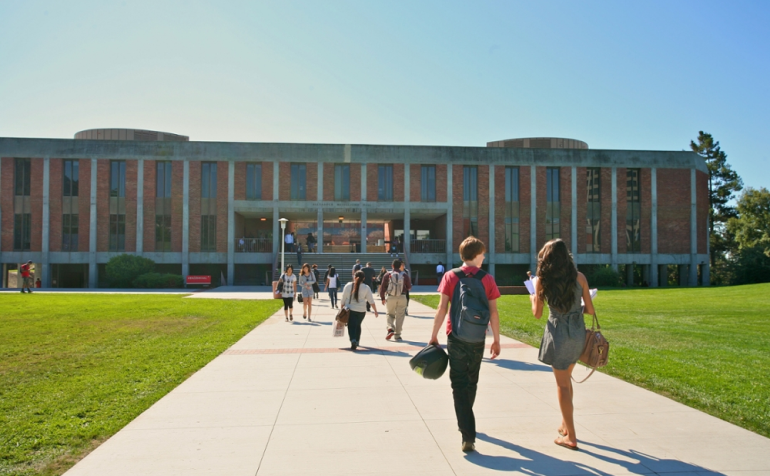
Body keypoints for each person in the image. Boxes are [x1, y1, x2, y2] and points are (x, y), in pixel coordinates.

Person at [429, 236, 501, 453]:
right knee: (471, 381)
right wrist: (496, 340)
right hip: (478, 338)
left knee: (458, 383)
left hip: (456, 336)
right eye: (483, 254)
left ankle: (466, 431)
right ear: (477, 255)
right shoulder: (487, 278)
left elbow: (442, 308)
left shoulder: (450, 276)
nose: (484, 257)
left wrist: (434, 335)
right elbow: (494, 312)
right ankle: (467, 422)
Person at [530, 239, 594, 452]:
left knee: (562, 385)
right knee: (566, 381)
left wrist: (533, 297)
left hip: (558, 335)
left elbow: (537, 314)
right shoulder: (580, 277)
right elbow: (591, 311)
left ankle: (572, 437)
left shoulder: (542, 281)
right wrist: (576, 310)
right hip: (577, 334)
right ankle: (566, 426)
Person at [341, 270, 379, 350]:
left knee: (351, 326)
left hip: (350, 310)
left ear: (354, 277)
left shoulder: (348, 286)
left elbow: (343, 299)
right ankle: (357, 341)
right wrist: (375, 310)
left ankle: (353, 340)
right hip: (362, 311)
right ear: (364, 278)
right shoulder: (366, 287)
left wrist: (342, 309)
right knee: (358, 325)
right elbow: (371, 301)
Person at [379, 258, 412, 341]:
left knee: (389, 314)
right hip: (402, 297)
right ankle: (397, 335)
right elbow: (409, 287)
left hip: (390, 297)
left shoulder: (387, 274)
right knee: (400, 316)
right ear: (400, 266)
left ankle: (390, 328)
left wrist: (382, 298)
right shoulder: (404, 275)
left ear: (392, 266)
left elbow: (382, 287)